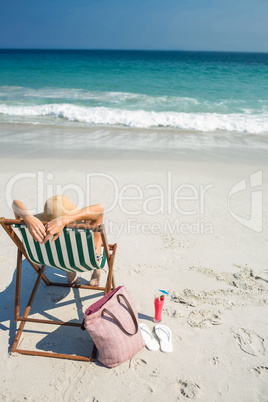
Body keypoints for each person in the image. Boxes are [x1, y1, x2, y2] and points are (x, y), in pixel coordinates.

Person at [12, 195, 104, 286]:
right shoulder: (82, 231)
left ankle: (69, 270)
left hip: (54, 260)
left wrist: (28, 217)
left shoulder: (34, 229)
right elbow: (100, 209)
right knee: (97, 237)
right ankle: (97, 272)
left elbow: (15, 203)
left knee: (64, 247)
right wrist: (64, 219)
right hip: (87, 261)